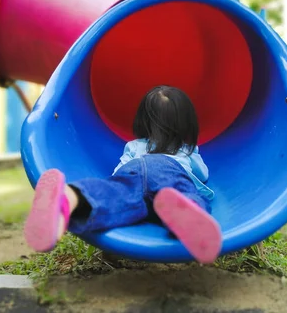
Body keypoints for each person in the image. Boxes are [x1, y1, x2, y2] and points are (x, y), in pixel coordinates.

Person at [23, 85, 222, 264]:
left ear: (144, 121)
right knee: (185, 193)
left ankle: (71, 198)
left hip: (135, 169)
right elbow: (202, 174)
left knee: (114, 195)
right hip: (169, 169)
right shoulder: (187, 149)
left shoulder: (134, 146)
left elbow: (118, 172)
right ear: (186, 124)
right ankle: (186, 216)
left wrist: (123, 181)